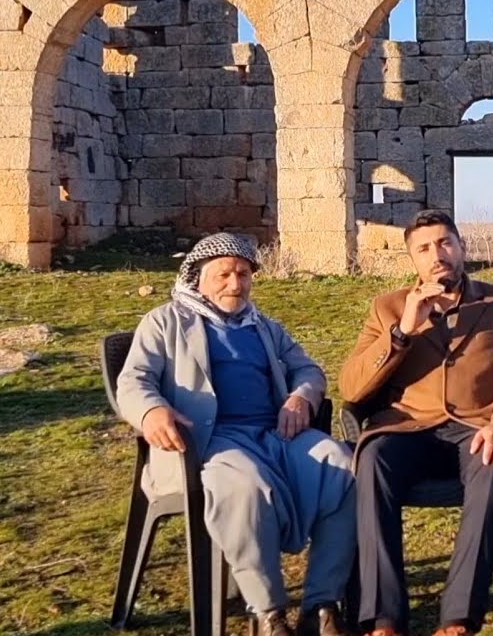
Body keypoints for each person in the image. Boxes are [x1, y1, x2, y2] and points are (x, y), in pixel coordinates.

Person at [116, 233, 355, 636]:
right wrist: (152, 411)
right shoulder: (165, 321)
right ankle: (268, 613)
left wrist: (301, 398)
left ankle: (320, 606)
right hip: (208, 444)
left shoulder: (263, 325)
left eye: (243, 274)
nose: (235, 284)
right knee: (246, 487)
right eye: (223, 274)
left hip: (274, 434)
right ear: (197, 278)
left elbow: (308, 370)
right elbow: (133, 380)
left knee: (344, 467)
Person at [339, 210, 493, 636]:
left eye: (445, 243)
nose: (437, 255)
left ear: (461, 247)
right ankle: (384, 620)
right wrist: (401, 333)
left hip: (477, 428)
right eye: (424, 248)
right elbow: (352, 388)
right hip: (408, 429)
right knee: (373, 458)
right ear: (412, 260)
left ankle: (457, 620)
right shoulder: (388, 307)